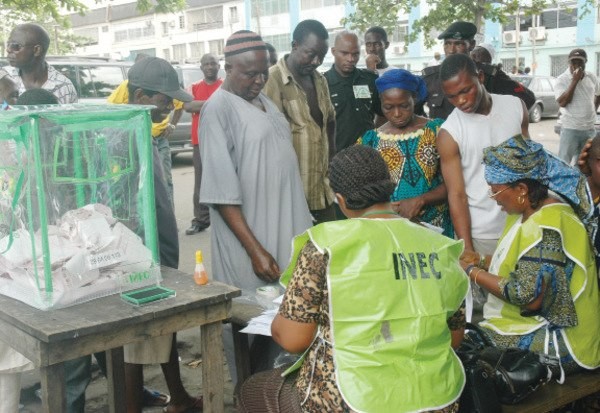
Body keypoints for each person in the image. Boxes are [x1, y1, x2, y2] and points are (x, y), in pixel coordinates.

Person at [238, 145, 468, 413]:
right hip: (438, 396)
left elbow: (292, 339)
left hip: (352, 399)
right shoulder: (441, 247)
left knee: (251, 391)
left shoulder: (325, 246)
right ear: (388, 190)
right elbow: (453, 338)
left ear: (341, 199)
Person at [65, 57, 201, 413]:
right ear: (140, 95)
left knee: (160, 327)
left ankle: (178, 398)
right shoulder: (119, 134)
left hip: (156, 247)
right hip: (138, 253)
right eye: (163, 99)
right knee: (134, 341)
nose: (170, 106)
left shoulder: (141, 126)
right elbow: (121, 206)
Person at [199, 30, 313, 384]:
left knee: (284, 318)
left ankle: (277, 393)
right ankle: (248, 394)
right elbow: (220, 195)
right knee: (248, 323)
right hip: (251, 242)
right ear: (227, 67)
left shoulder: (264, 100)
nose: (260, 80)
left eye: (264, 71)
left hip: (284, 230)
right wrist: (256, 250)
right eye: (250, 73)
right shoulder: (217, 109)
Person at [460, 135, 600, 378]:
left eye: (495, 192)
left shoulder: (549, 225)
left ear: (522, 189)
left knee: (470, 345)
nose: (494, 201)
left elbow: (528, 297)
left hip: (564, 339)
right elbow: (523, 266)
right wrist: (481, 261)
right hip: (541, 323)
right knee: (471, 340)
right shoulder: (526, 211)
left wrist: (473, 273)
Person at [438, 53, 529, 257]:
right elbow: (456, 194)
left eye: (466, 90)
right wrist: (467, 247)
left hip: (522, 222)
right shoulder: (450, 133)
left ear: (480, 77)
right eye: (452, 96)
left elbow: (531, 165)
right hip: (483, 234)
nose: (460, 101)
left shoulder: (516, 106)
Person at [359, 69, 453, 237]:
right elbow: (364, 189)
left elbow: (455, 183)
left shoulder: (437, 130)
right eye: (388, 107)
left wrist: (421, 200)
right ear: (380, 103)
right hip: (393, 228)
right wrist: (385, 207)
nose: (397, 114)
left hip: (436, 226)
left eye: (404, 106)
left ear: (414, 99)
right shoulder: (371, 140)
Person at [263, 19, 337, 224]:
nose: (316, 61)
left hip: (322, 191)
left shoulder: (320, 80)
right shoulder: (272, 80)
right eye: (311, 54)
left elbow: (330, 119)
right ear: (295, 45)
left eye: (321, 56)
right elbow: (268, 139)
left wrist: (332, 155)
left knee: (330, 250)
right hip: (292, 195)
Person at [107, 53, 184, 204]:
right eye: (166, 100)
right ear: (140, 96)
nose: (171, 106)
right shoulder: (124, 143)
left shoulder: (146, 140)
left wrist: (171, 125)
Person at [183, 53, 223, 235]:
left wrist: (201, 104)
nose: (209, 67)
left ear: (218, 65)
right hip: (200, 141)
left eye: (212, 63)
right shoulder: (194, 87)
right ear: (201, 67)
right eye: (206, 64)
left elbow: (227, 105)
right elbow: (188, 106)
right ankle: (200, 220)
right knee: (200, 183)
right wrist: (214, 103)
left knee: (224, 179)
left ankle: (226, 220)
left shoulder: (224, 86)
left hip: (222, 140)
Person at [324, 31, 382, 152]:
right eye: (344, 53)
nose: (351, 59)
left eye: (355, 54)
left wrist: (374, 136)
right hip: (338, 158)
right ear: (333, 51)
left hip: (369, 155)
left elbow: (383, 112)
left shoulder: (370, 79)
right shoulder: (322, 84)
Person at [4, 23, 77, 104]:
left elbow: (70, 116)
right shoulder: (3, 79)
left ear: (37, 50)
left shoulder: (63, 87)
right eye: (8, 44)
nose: (8, 49)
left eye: (15, 46)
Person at [421, 21, 476, 120]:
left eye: (458, 44)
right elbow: (412, 111)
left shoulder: (489, 77)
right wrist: (429, 132)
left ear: (472, 45)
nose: (451, 50)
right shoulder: (431, 78)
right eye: (447, 44)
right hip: (441, 134)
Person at [555, 48, 600, 165]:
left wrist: (593, 111)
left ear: (586, 62)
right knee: (563, 163)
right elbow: (562, 102)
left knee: (583, 164)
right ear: (569, 63)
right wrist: (574, 81)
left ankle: (579, 183)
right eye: (573, 62)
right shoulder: (562, 79)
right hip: (570, 128)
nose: (576, 65)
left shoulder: (592, 77)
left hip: (589, 129)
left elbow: (598, 94)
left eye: (580, 62)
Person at [470, 43, 536, 110]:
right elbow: (530, 98)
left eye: (476, 53)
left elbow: (529, 97)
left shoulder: (496, 76)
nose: (472, 56)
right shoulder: (495, 75)